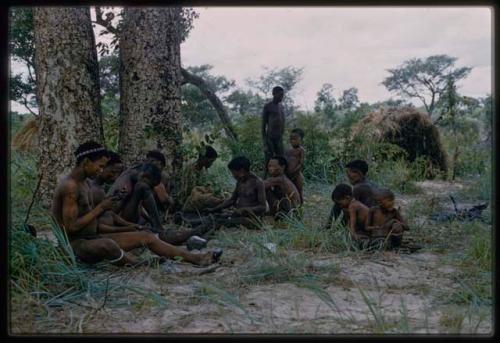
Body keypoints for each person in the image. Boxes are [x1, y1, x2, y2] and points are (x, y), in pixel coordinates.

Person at [51, 141, 222, 267]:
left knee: (147, 237)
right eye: (99, 166)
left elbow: (97, 222)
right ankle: (137, 264)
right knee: (107, 245)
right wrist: (101, 208)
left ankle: (196, 258)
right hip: (75, 245)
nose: (101, 171)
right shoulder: (70, 187)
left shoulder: (86, 183)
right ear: (86, 162)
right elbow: (71, 227)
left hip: (93, 238)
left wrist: (127, 226)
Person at [203, 156, 267, 230]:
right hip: (238, 215)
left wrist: (244, 210)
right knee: (215, 217)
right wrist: (214, 209)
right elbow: (232, 200)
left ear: (242, 171)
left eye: (234, 173)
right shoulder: (240, 182)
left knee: (221, 222)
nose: (233, 176)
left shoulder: (258, 182)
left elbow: (263, 207)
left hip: (252, 219)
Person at [88, 151, 141, 234]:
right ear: (103, 167)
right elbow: (94, 223)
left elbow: (108, 213)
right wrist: (125, 229)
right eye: (113, 172)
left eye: (118, 173)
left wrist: (131, 225)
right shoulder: (94, 190)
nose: (115, 177)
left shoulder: (100, 188)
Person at [179, 146, 224, 214]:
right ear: (203, 158)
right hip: (189, 200)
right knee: (211, 199)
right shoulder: (190, 170)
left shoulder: (203, 171)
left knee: (219, 196)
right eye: (211, 161)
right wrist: (206, 193)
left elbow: (205, 186)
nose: (211, 164)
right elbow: (189, 192)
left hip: (199, 197)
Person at [262, 86, 286, 177]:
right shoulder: (268, 106)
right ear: (274, 94)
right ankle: (264, 183)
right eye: (280, 95)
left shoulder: (281, 107)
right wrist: (264, 142)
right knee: (268, 161)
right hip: (270, 138)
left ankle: (280, 182)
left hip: (279, 138)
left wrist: (281, 135)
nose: (282, 97)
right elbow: (263, 125)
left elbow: (282, 121)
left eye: (282, 95)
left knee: (281, 160)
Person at [285, 128, 305, 204]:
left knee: (299, 190)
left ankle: (301, 205)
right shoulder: (288, 150)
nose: (292, 141)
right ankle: (292, 205)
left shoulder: (301, 150)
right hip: (288, 175)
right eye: (291, 139)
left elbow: (301, 163)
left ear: (301, 140)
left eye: (295, 139)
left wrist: (295, 171)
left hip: (297, 175)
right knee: (290, 190)